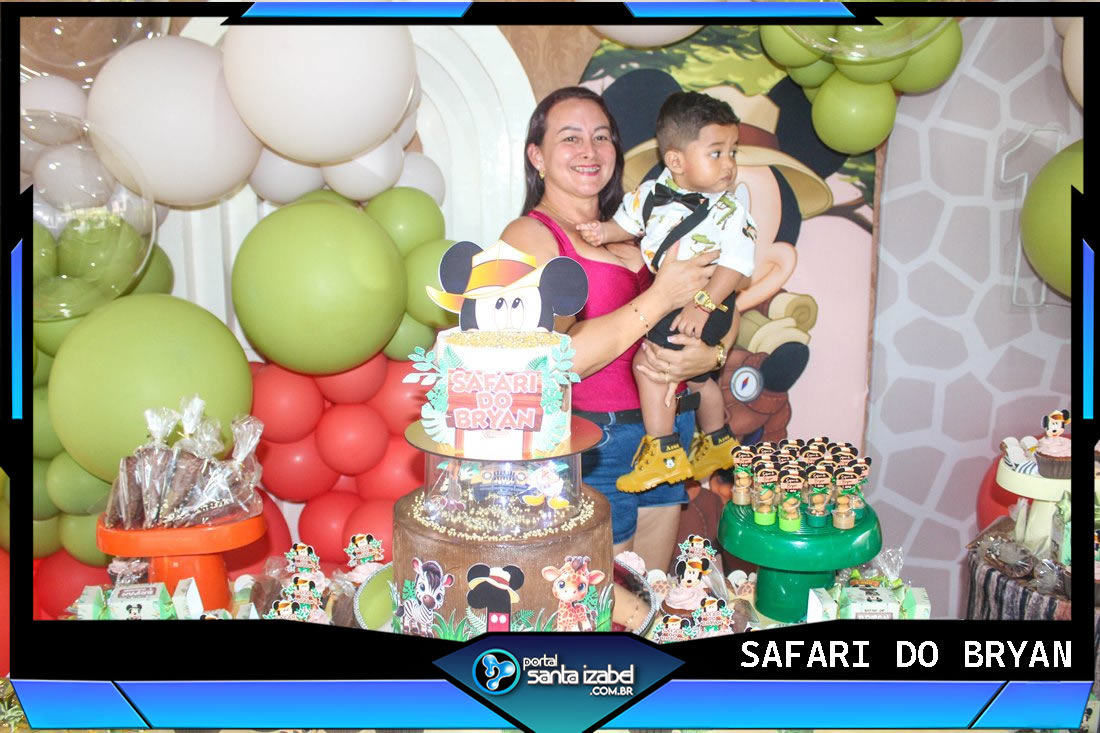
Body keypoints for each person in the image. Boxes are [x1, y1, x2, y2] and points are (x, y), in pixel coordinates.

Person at [499, 86, 740, 601]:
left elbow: (722, 300)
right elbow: (551, 359)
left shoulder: (638, 231)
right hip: (596, 445)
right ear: (537, 155)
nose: (589, 150)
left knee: (649, 600)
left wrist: (710, 357)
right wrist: (659, 297)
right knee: (596, 609)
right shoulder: (529, 237)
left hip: (667, 435)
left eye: (602, 137)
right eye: (570, 138)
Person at [577, 92, 756, 494]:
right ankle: (717, 438)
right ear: (676, 161)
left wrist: (702, 305)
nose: (729, 164)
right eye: (717, 153)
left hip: (705, 302)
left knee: (649, 365)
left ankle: (663, 450)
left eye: (732, 152)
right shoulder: (652, 192)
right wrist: (604, 232)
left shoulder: (730, 212)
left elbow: (736, 267)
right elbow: (629, 223)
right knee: (698, 377)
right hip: (682, 301)